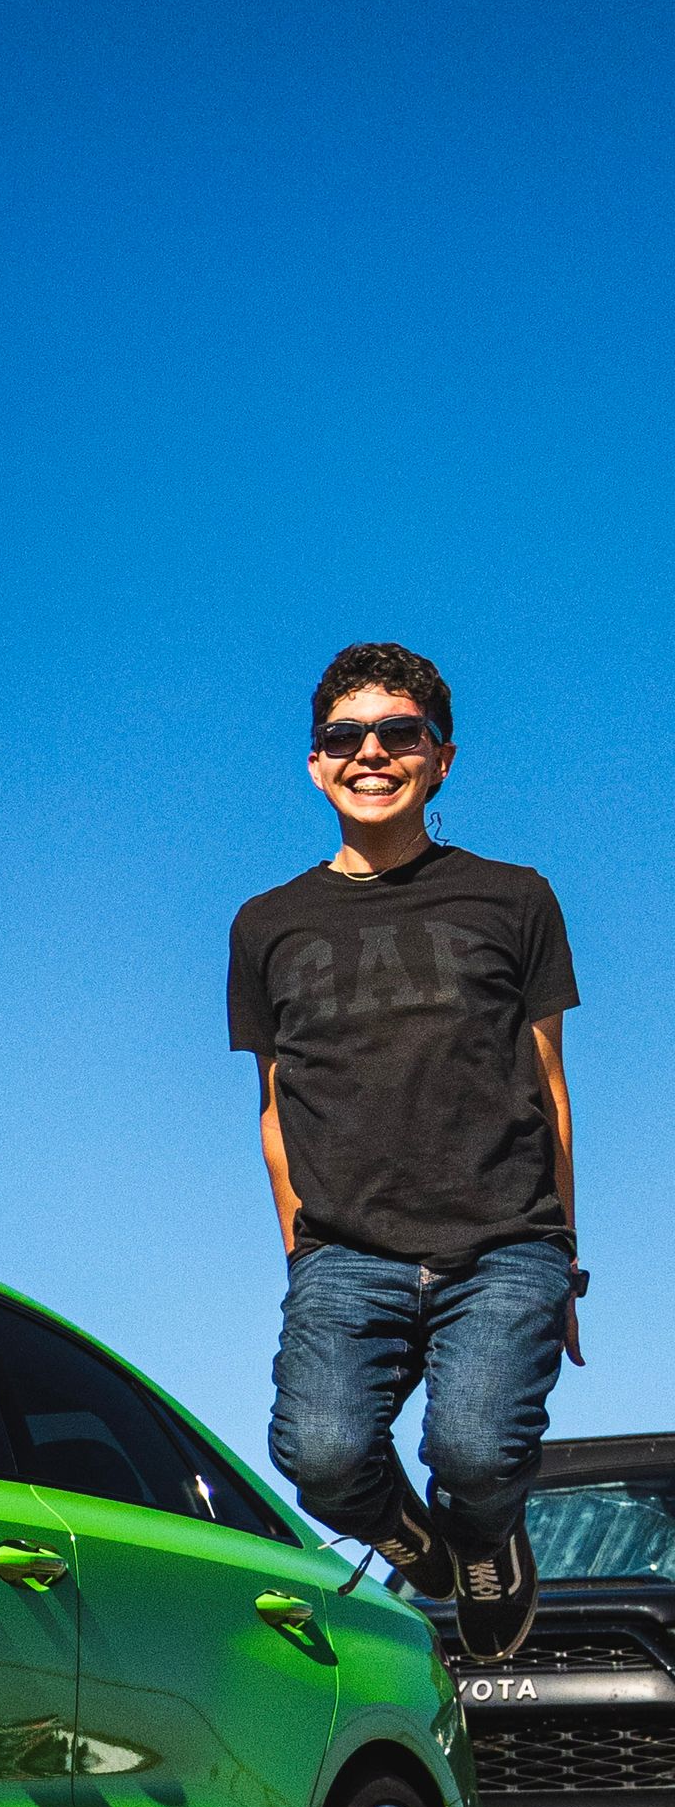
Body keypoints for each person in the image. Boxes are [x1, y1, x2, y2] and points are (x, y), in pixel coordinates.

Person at [227, 641, 582, 1665]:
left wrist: (564, 1258)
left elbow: (549, 1087)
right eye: (344, 736)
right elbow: (275, 1109)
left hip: (504, 1242)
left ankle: (486, 1539)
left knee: (475, 1453)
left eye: (399, 733)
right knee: (320, 1459)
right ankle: (421, 1549)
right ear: (315, 763)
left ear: (441, 757)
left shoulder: (514, 899)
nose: (370, 753)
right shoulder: (266, 925)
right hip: (345, 1251)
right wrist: (302, 1255)